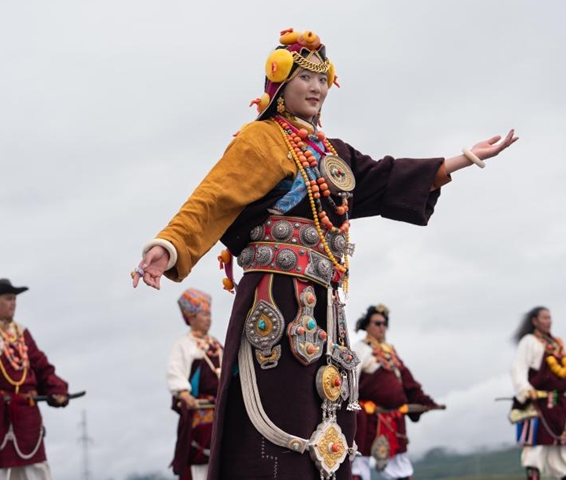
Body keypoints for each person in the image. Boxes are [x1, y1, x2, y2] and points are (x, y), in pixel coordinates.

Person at [132, 27, 518, 480]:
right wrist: (168, 245)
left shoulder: (333, 154)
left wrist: (460, 160)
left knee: (327, 415)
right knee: (281, 414)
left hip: (325, 306)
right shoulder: (260, 140)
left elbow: (383, 178)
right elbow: (211, 200)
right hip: (274, 300)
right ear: (279, 85)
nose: (316, 88)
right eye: (305, 78)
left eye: (322, 79)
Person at [0, 279, 70, 480]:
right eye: (9, 299)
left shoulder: (22, 332)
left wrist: (58, 390)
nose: (13, 303)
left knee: (36, 467)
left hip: (26, 412)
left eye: (15, 299)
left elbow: (42, 367)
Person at [351, 305, 439, 480]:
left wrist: (424, 401)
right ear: (366, 325)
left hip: (394, 418)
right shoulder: (359, 349)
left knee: (400, 464)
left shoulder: (391, 352)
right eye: (377, 323)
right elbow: (350, 381)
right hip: (368, 418)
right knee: (359, 463)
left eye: (385, 324)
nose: (382, 327)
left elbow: (408, 382)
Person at [510, 306, 566, 480]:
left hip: (561, 406)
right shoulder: (529, 342)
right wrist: (526, 390)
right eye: (544, 318)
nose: (549, 321)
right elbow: (518, 368)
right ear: (534, 321)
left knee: (563, 454)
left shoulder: (557, 344)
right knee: (535, 451)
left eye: (550, 317)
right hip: (539, 404)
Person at [167, 288, 224, 480]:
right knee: (200, 458)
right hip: (199, 413)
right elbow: (175, 371)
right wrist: (184, 394)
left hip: (221, 410)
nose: (209, 319)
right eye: (204, 314)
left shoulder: (215, 343)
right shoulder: (183, 344)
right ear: (191, 317)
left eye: (210, 314)